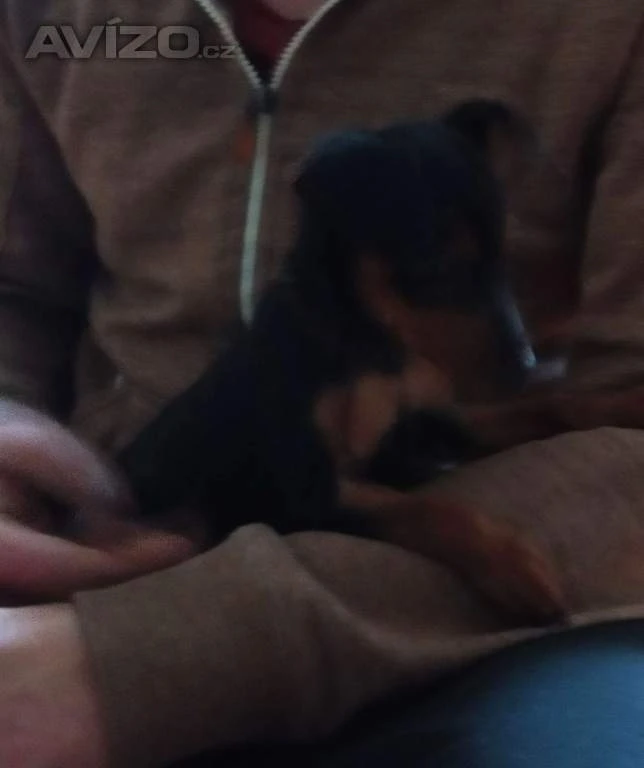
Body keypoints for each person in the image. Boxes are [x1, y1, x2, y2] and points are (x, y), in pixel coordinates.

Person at [1, 1, 644, 766]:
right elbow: (22, 291)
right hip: (114, 552)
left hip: (496, 620)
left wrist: (155, 656)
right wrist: (12, 448)